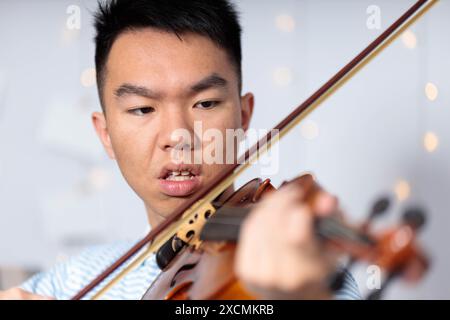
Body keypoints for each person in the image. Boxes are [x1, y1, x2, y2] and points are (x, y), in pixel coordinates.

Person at [0, 0, 360, 300]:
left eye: (204, 104)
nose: (178, 135)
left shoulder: (302, 270)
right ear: (105, 134)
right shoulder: (71, 282)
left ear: (244, 115)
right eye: (143, 109)